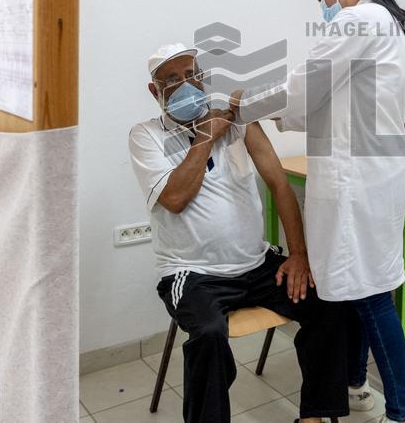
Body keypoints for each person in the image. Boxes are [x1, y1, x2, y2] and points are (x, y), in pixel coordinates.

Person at [231, 0, 405, 423]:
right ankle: (355, 384)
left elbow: (306, 85)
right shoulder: (388, 26)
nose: (323, 8)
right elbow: (327, 93)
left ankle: (403, 411)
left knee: (371, 294)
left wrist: (245, 104)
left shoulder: (357, 21)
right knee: (359, 288)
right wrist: (273, 108)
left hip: (355, 177)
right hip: (372, 172)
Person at [128, 43, 349, 423]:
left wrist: (298, 254)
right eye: (172, 80)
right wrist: (205, 136)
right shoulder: (145, 136)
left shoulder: (238, 122)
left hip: (257, 264)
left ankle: (314, 415)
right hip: (192, 274)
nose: (187, 85)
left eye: (192, 75)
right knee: (209, 335)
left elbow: (279, 184)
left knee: (330, 303)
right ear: (155, 91)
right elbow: (176, 198)